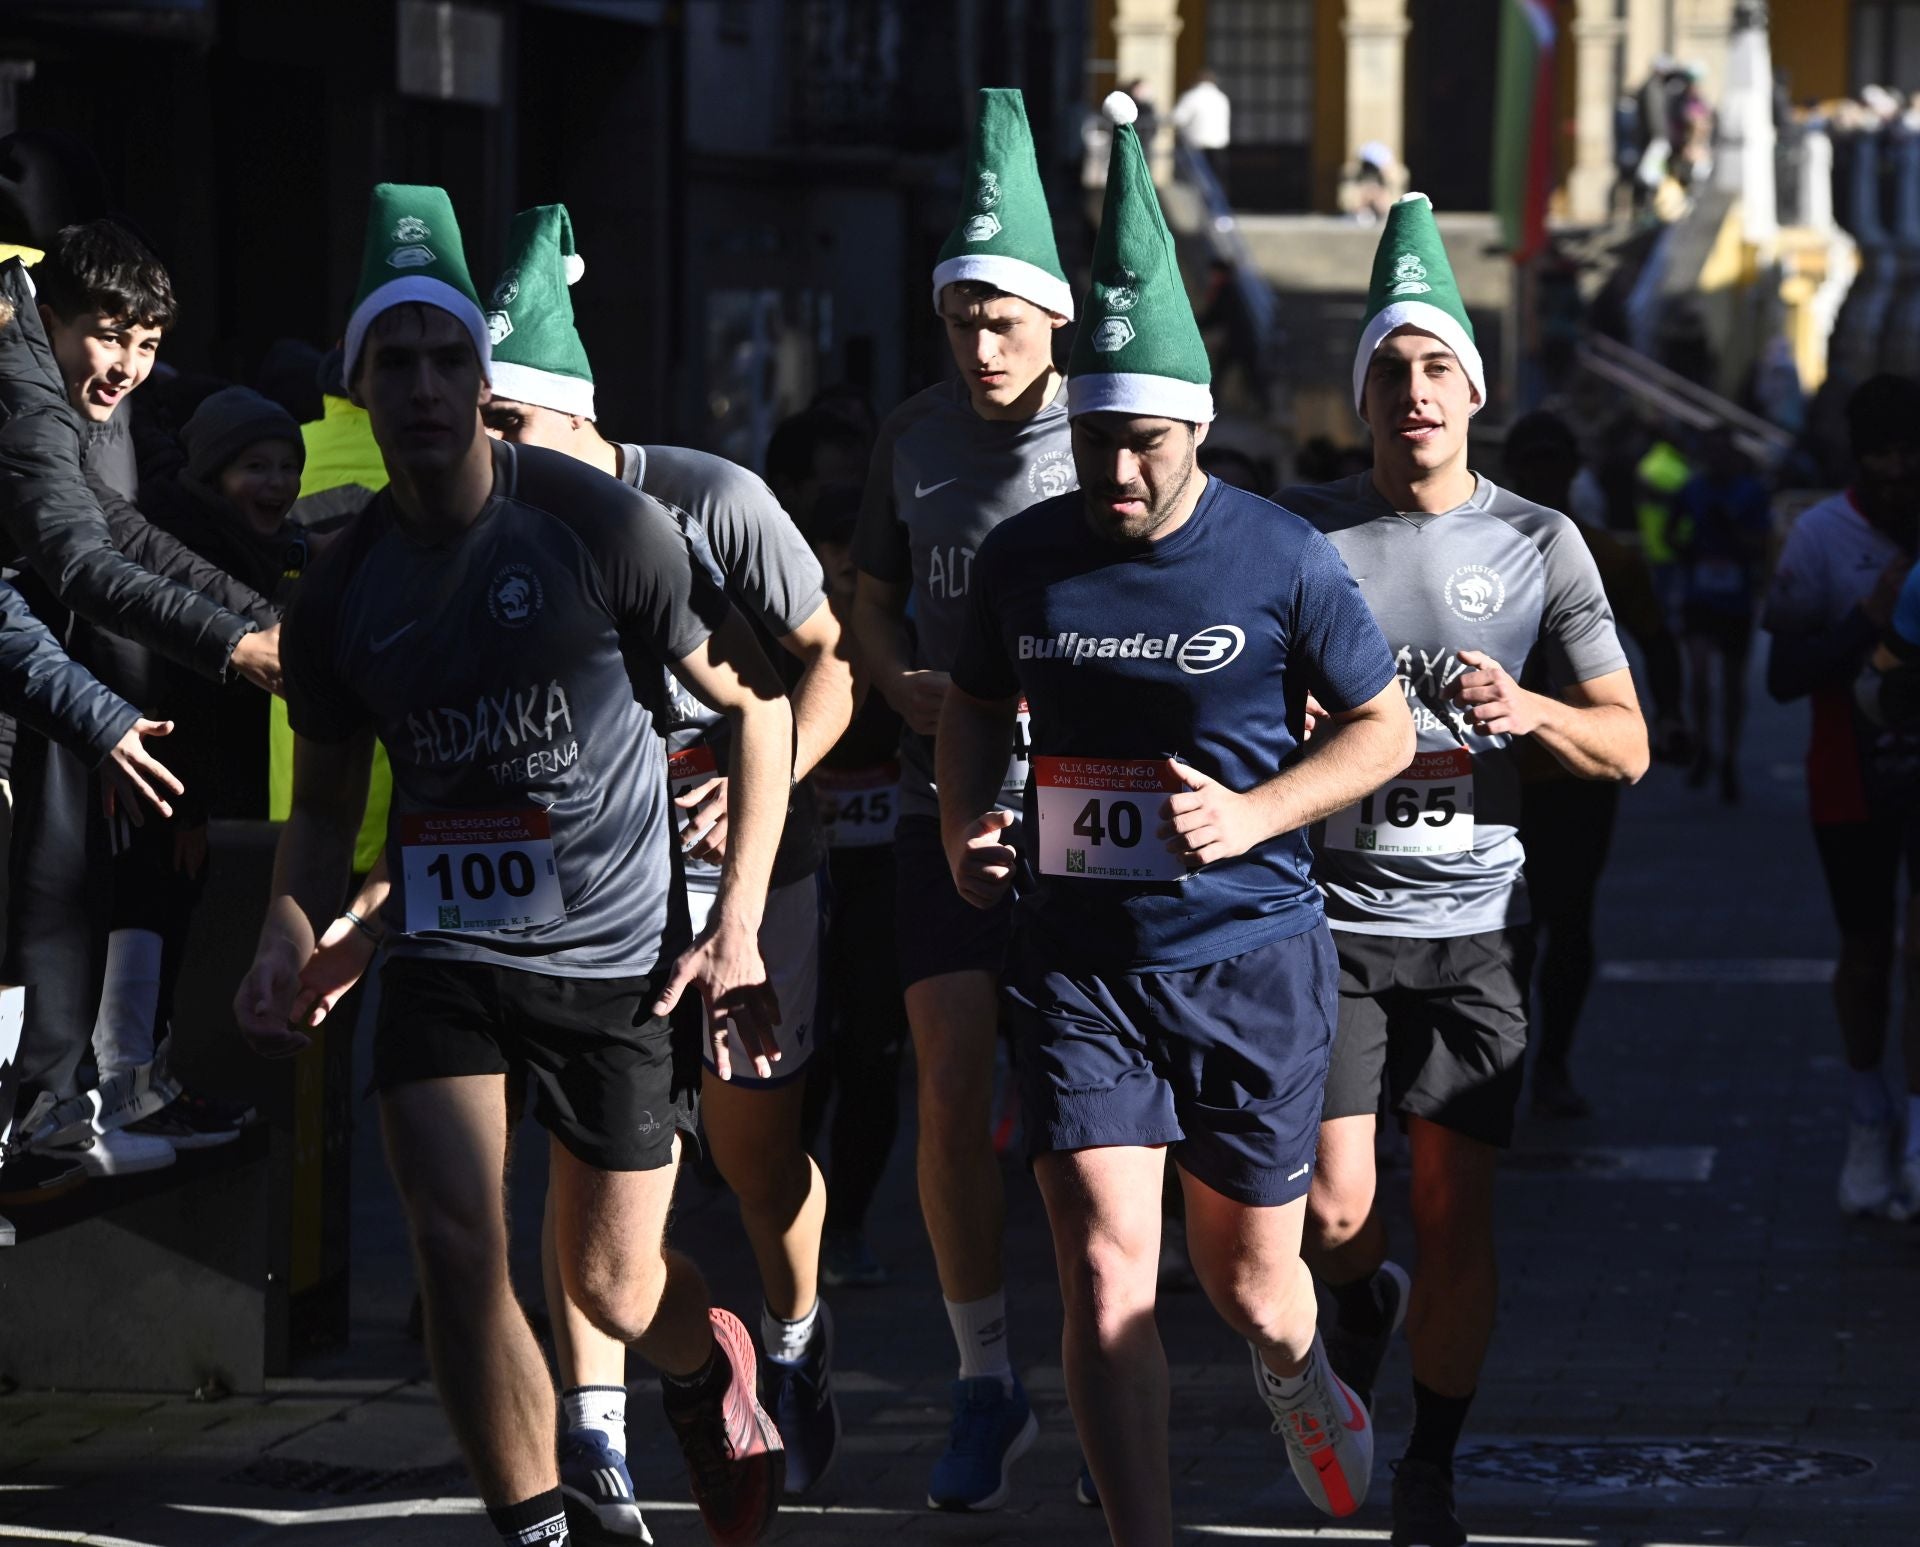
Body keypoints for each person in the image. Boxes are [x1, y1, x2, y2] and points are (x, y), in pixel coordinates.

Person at [233, 184, 795, 1547]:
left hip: (613, 962)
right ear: (358, 387)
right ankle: (539, 1525)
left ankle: (700, 1358)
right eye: (395, 362)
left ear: (482, 382)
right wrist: (283, 925)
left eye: (445, 359)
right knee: (454, 1245)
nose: (423, 386)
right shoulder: (342, 591)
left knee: (609, 1284)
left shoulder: (601, 528)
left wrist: (740, 927)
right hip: (446, 959)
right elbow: (323, 806)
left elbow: (763, 703)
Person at [940, 94, 1413, 1545]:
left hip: (1248, 953)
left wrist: (1260, 807)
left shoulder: (1280, 555)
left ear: (1198, 425)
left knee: (1257, 1281)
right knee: (1101, 1270)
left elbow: (1386, 726)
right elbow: (970, 698)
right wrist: (969, 822)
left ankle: (1300, 1367)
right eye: (1097, 445)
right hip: (1079, 958)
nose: (1120, 473)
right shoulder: (1025, 560)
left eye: (1145, 443)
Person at [474, 203, 855, 1527]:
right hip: (598, 891)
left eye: (510, 427)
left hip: (757, 866)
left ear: (574, 412)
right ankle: (600, 1440)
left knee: (753, 1156)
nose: (491, 455)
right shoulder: (496, 526)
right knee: (584, 1154)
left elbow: (830, 668)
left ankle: (795, 1332)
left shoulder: (712, 497)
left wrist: (764, 790)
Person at [1281, 193, 1648, 1547]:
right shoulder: (1294, 533)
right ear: (1362, 392)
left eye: (1438, 366)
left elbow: (1630, 742)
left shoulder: (1541, 542)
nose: (1415, 390)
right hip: (1327, 917)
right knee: (1334, 1206)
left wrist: (1529, 710)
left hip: (1479, 924)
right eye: (1391, 368)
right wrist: (1297, 729)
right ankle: (1357, 1303)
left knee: (1454, 1202)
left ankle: (1430, 1462)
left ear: (1476, 391)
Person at [850, 86, 1076, 1511]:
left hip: (1091, 809)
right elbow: (867, 594)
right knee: (947, 1076)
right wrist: (900, 683)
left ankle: (1113, 1357)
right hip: (949, 796)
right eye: (958, 320)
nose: (980, 346)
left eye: (1003, 319)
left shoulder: (1118, 435)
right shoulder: (911, 435)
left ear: (1056, 319)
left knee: (1083, 1106)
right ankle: (985, 1374)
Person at [0, 225, 283, 1179]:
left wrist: (264, 618)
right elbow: (77, 565)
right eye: (109, 336)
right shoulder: (25, 395)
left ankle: (52, 1108)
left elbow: (115, 528)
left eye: (148, 345)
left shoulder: (50, 385)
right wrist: (230, 645)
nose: (126, 367)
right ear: (52, 315)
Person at [84, 385, 310, 1152]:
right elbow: (169, 685)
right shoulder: (188, 547)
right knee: (144, 912)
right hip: (156, 778)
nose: (276, 484)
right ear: (214, 475)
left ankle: (143, 1082)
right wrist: (187, 803)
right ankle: (124, 1087)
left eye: (287, 466)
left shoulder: (257, 550)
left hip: (182, 785)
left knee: (162, 914)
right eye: (256, 466)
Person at [1763, 373, 1920, 1220]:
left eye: (1913, 454)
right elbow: (1785, 675)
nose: (1901, 472)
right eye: (1885, 455)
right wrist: (1872, 613)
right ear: (1859, 458)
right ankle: (1870, 1118)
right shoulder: (1822, 535)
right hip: (1851, 776)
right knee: (1867, 955)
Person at [1504, 410, 1688, 1118]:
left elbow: (1658, 639)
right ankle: (1502, 1064)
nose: (1543, 476)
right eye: (1532, 464)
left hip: (1577, 771)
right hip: (1494, 775)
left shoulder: (1608, 556)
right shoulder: (1476, 550)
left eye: (1555, 463)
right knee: (1502, 931)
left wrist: (1669, 716)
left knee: (1569, 921)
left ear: (1573, 471)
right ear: (1513, 471)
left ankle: (1552, 1063)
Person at [793, 478, 910, 1289]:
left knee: (873, 1056)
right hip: (799, 871)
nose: (839, 582)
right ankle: (792, 1208)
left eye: (852, 569)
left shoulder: (906, 638)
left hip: (886, 876)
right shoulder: (775, 638)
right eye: (825, 567)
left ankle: (851, 1224)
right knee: (805, 1059)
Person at [1674, 425, 1771, 803]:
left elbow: (1761, 544)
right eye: (1709, 451)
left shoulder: (1752, 491)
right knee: (1698, 674)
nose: (1715, 459)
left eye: (1721, 451)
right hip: (1700, 597)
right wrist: (1686, 546)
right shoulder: (1692, 489)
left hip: (1735, 601)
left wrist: (1731, 530)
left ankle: (1729, 755)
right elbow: (1670, 532)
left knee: (1732, 683)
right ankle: (1703, 745)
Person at [1172, 69, 1230, 157]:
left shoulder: (1191, 96)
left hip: (1196, 144)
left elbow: (1178, 118)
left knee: (1196, 170)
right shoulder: (1222, 97)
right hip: (1219, 144)